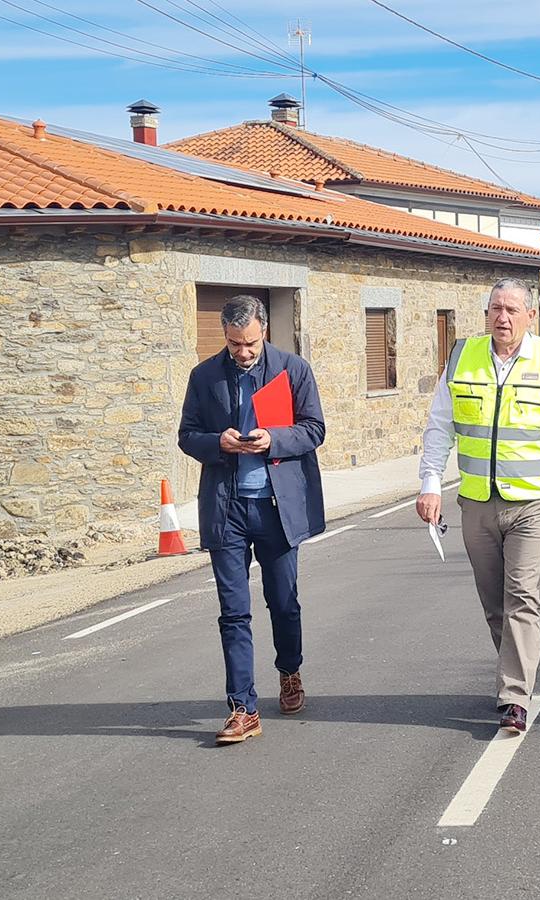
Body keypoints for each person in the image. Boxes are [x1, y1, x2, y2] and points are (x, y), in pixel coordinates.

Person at [417, 278, 540, 734]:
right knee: (494, 602)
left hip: (533, 501)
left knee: (522, 596)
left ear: (530, 316)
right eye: (495, 308)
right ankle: (517, 671)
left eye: (512, 309)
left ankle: (514, 696)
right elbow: (441, 426)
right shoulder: (462, 356)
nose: (502, 317)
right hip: (477, 501)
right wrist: (430, 484)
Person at [179, 295, 326, 745]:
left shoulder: (292, 369)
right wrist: (217, 442)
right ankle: (242, 707)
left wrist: (274, 440)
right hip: (226, 509)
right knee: (233, 611)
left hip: (277, 508)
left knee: (283, 601)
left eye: (249, 343)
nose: (243, 352)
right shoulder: (204, 377)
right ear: (224, 337)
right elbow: (187, 435)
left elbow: (314, 428)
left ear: (264, 330)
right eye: (234, 344)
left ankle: (290, 671)